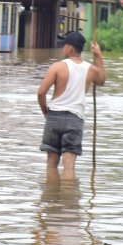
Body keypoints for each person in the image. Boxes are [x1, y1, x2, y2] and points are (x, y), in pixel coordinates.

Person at [36, 30, 106, 179]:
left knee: (51, 164)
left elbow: (41, 92)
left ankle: (51, 197)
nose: (62, 49)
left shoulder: (56, 67)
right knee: (69, 166)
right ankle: (68, 198)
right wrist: (99, 56)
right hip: (74, 119)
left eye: (64, 46)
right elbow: (101, 81)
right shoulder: (91, 69)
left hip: (54, 116)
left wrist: (46, 114)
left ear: (70, 48)